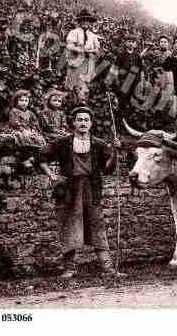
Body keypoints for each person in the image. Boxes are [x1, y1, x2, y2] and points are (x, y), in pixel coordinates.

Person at [39, 106, 125, 278]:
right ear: (73, 123)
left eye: (86, 120)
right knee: (69, 227)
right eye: (79, 119)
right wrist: (52, 175)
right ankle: (69, 268)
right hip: (69, 192)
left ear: (91, 123)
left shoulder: (99, 144)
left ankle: (108, 268)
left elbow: (107, 169)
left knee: (97, 226)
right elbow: (41, 157)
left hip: (92, 190)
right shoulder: (62, 143)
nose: (83, 123)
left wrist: (115, 152)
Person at [9, 89, 47, 168]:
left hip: (29, 130)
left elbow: (34, 122)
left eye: (26, 101)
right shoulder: (14, 111)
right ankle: (25, 159)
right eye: (21, 100)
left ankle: (34, 157)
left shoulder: (30, 113)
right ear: (16, 101)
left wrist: (34, 129)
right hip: (18, 130)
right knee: (23, 137)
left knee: (38, 138)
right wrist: (23, 130)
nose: (24, 103)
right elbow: (14, 122)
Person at [64, 9, 101, 90]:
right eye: (83, 20)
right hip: (75, 62)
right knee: (73, 86)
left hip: (88, 64)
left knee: (84, 86)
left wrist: (93, 52)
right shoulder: (74, 32)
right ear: (79, 22)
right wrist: (80, 50)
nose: (85, 22)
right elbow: (69, 46)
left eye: (87, 20)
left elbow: (97, 49)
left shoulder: (93, 36)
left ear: (90, 23)